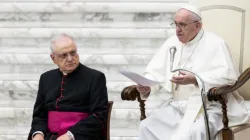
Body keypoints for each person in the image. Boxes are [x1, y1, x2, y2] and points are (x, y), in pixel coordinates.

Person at [136, 5, 249, 140]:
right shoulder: (171, 43)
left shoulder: (216, 43)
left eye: (182, 25)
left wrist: (196, 79)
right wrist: (146, 85)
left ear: (197, 26)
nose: (177, 30)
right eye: (176, 24)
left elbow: (228, 78)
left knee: (196, 131)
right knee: (147, 126)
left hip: (210, 107)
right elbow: (155, 72)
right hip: (177, 106)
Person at [28, 34, 108, 140]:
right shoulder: (46, 78)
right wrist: (38, 134)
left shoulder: (95, 77)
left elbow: (99, 116)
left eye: (73, 53)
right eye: (64, 55)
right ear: (53, 58)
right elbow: (39, 114)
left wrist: (70, 135)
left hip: (80, 136)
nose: (70, 59)